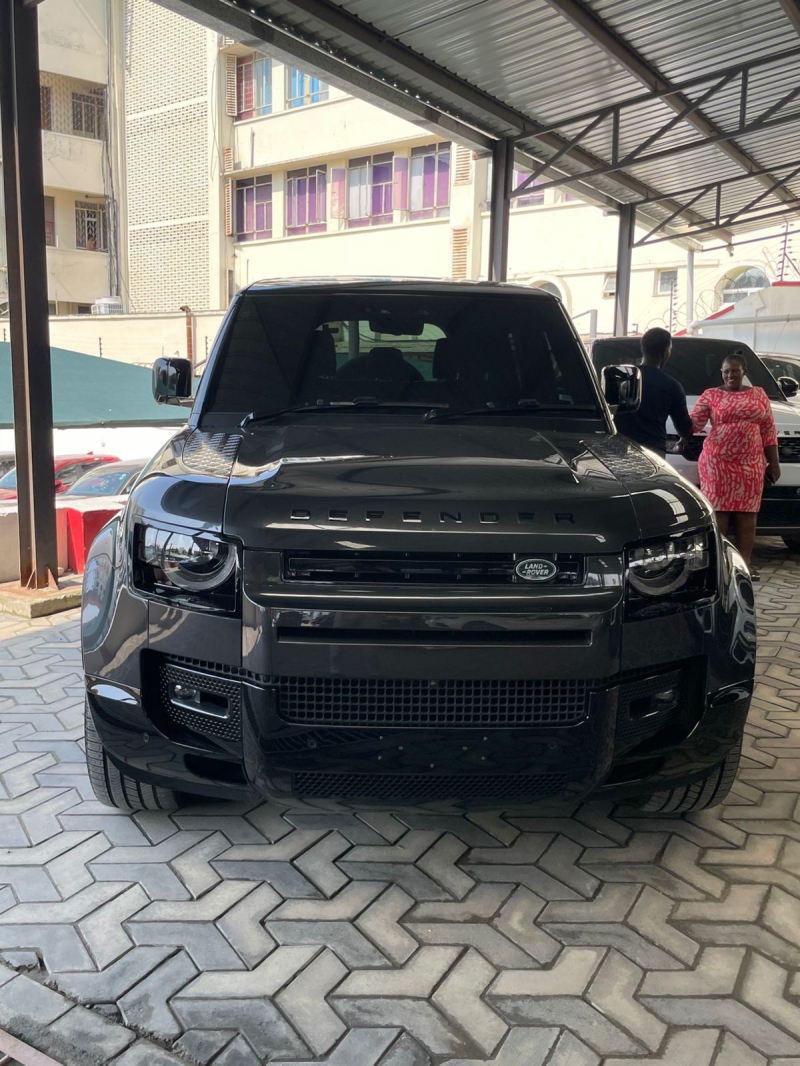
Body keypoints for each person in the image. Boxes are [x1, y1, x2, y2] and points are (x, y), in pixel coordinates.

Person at [690, 351, 780, 579]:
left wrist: (774, 461)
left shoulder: (758, 394)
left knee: (747, 514)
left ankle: (745, 564)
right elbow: (693, 423)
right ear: (721, 373)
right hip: (717, 463)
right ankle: (721, 565)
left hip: (751, 463)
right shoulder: (711, 395)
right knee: (719, 512)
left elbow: (769, 429)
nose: (730, 375)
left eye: (735, 371)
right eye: (726, 371)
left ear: (744, 372)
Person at [614, 327, 693, 457]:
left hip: (620, 448)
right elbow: (684, 428)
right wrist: (685, 436)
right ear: (666, 352)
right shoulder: (672, 386)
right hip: (652, 453)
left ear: (642, 349)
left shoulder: (623, 378)